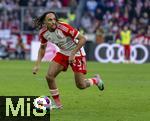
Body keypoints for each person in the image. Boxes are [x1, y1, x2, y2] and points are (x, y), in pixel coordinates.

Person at [32, 11, 104, 109]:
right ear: (45, 22)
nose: (53, 22)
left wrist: (73, 54)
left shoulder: (64, 28)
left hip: (77, 53)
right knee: (49, 76)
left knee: (81, 85)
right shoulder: (43, 33)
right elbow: (42, 48)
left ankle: (96, 80)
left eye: (54, 19)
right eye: (50, 20)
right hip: (63, 52)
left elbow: (83, 39)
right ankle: (58, 105)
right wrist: (37, 64)